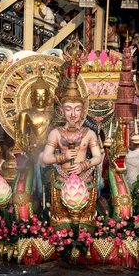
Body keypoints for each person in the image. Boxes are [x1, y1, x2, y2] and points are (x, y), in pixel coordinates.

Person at [42, 71, 103, 230]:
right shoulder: (55, 133)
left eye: (77, 109)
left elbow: (98, 157)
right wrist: (62, 157)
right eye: (68, 109)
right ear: (62, 111)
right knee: (62, 224)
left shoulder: (89, 133)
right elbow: (46, 158)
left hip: (84, 179)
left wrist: (84, 165)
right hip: (62, 179)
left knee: (85, 223)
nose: (73, 114)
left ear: (83, 111)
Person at [15, 76, 54, 154]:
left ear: (48, 97)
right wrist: (26, 147)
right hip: (33, 149)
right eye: (38, 96)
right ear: (32, 97)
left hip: (50, 149)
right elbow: (21, 136)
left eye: (43, 96)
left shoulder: (54, 113)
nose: (40, 99)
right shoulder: (25, 114)